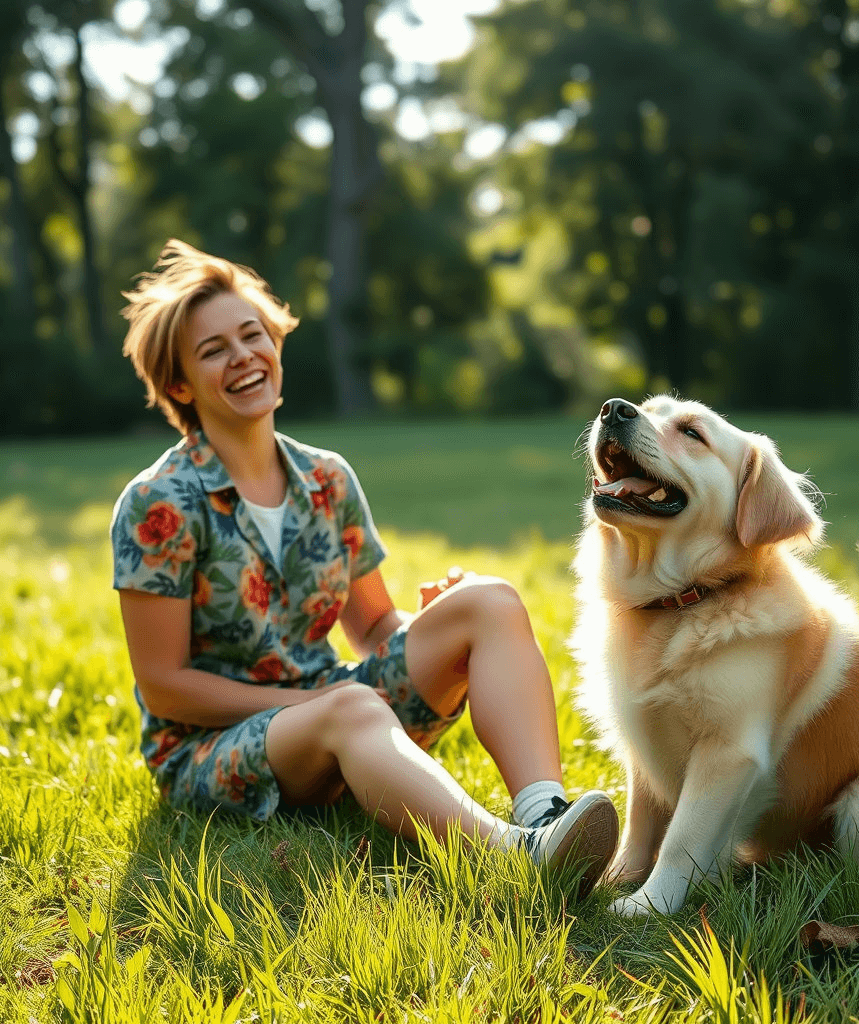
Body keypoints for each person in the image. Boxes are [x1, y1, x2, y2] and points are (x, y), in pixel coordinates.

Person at [110, 239, 618, 894]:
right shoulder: (159, 503)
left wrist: (432, 626)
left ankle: (544, 813)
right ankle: (512, 858)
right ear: (179, 384)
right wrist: (314, 699)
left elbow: (373, 627)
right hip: (211, 750)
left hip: (337, 713)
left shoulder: (327, 478)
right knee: (350, 704)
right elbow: (165, 686)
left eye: (252, 334)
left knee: (488, 601)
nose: (243, 357)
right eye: (214, 350)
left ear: (276, 343)